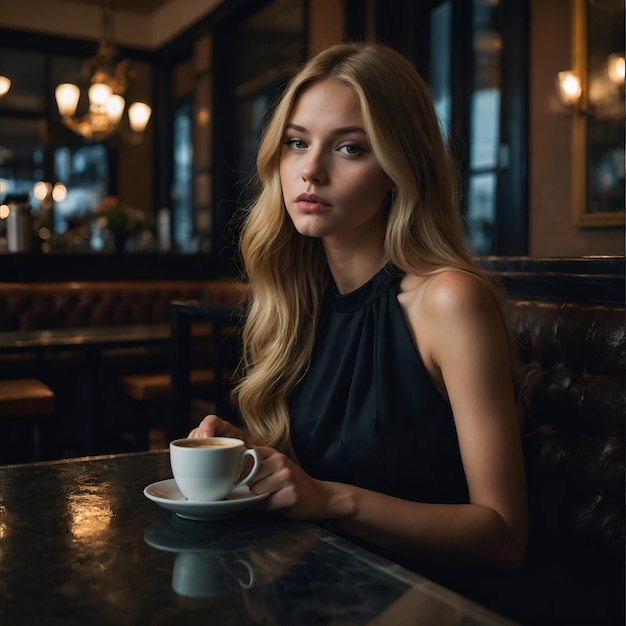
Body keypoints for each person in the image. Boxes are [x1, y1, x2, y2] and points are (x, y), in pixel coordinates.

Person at [190, 41, 528, 574]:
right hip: (324, 585)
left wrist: (330, 500)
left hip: (437, 602)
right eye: (297, 143)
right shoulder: (299, 302)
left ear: (399, 167)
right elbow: (325, 472)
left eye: (350, 148)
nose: (311, 170)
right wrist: (252, 458)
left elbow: (504, 533)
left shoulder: (448, 300)